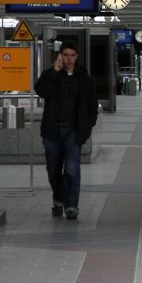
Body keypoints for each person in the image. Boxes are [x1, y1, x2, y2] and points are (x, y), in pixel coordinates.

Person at [34, 41, 99, 220]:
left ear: (77, 57)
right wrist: (54, 72)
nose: (68, 59)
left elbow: (92, 105)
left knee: (71, 169)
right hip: (51, 130)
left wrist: (87, 126)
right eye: (65, 55)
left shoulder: (84, 79)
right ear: (60, 56)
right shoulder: (50, 74)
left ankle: (71, 206)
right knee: (53, 170)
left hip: (73, 129)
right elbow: (41, 91)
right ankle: (58, 199)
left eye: (72, 55)